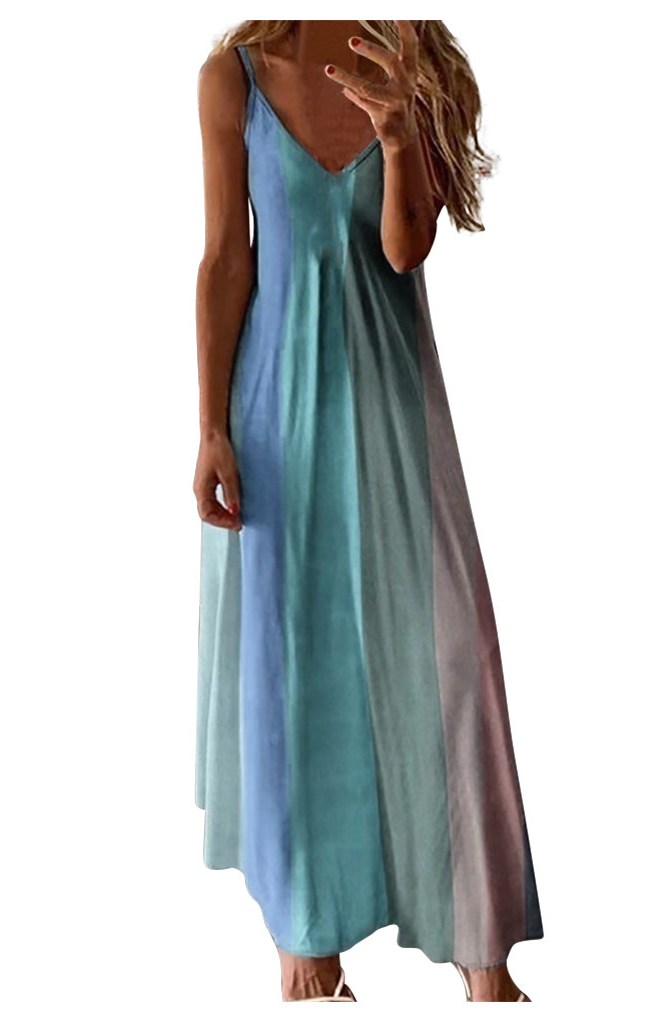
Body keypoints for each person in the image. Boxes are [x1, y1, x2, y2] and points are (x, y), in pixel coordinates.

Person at [192, 19, 543, 1002]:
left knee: (453, 657)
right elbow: (226, 259)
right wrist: (211, 427)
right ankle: (307, 954)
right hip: (274, 409)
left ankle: (483, 954)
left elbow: (403, 248)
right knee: (294, 666)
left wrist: (397, 139)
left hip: (392, 401)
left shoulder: (409, 59)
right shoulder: (234, 78)